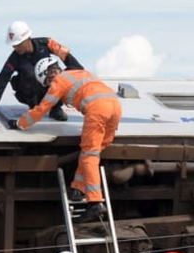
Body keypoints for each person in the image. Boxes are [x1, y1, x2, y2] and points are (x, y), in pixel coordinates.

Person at [11, 55, 121, 222]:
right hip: (115, 107)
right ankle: (78, 187)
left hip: (97, 109)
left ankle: (95, 202)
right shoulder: (78, 72)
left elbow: (42, 109)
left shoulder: (59, 82)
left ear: (47, 75)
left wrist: (20, 123)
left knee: (89, 155)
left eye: (46, 83)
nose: (48, 86)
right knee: (92, 152)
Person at [0, 21, 84, 123]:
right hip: (30, 93)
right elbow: (2, 81)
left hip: (51, 90)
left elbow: (73, 63)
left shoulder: (47, 44)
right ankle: (35, 108)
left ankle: (55, 108)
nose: (15, 48)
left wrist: (78, 80)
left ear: (27, 39)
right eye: (13, 45)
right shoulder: (14, 58)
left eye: (18, 44)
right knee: (29, 72)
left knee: (57, 74)